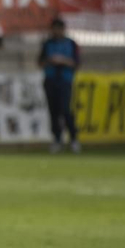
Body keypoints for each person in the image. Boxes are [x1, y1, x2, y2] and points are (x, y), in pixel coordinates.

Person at [38, 16, 81, 154]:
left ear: (63, 29)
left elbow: (76, 63)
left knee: (66, 110)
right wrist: (51, 60)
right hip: (50, 80)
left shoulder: (71, 44)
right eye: (54, 29)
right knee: (53, 111)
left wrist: (62, 61)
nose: (56, 31)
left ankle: (73, 138)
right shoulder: (47, 44)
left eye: (59, 29)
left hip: (65, 81)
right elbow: (40, 62)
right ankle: (57, 139)